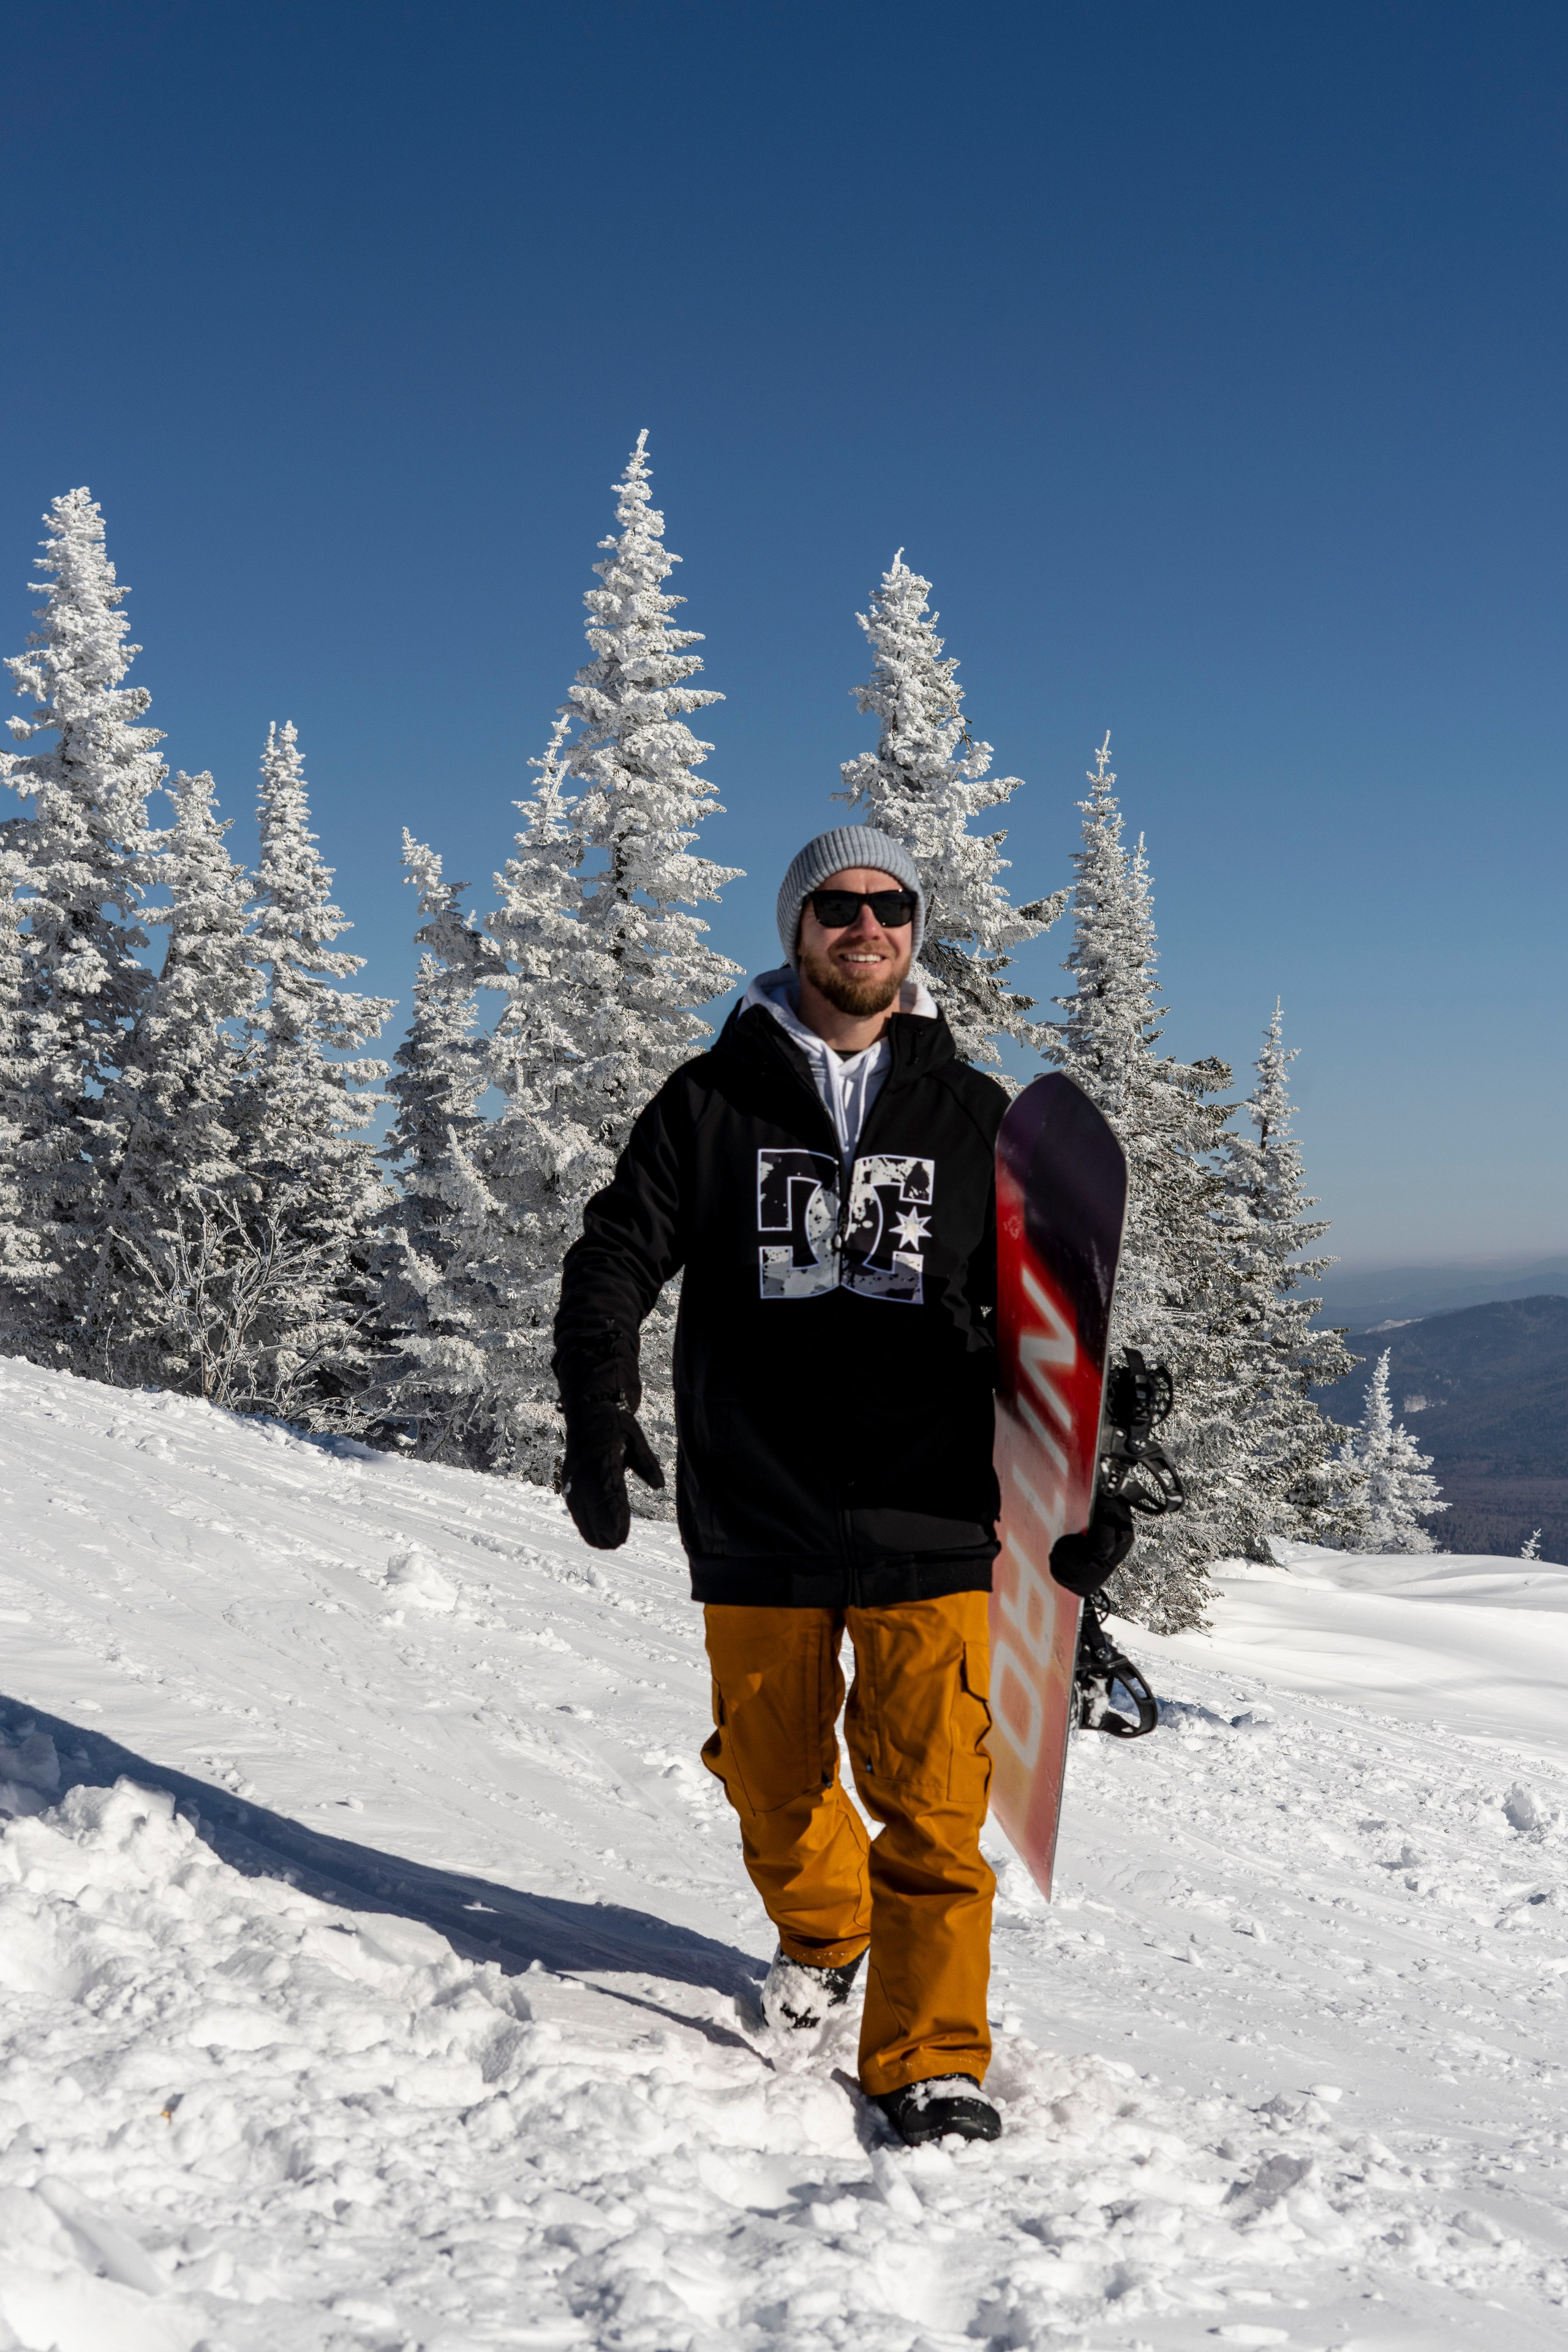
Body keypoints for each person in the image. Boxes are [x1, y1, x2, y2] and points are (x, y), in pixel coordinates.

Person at [552, 824, 1128, 2147]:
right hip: (756, 1507)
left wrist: (1078, 1501)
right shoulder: (708, 1101)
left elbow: (1046, 1330)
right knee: (769, 1781)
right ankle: (825, 1925)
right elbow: (613, 1256)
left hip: (929, 1512)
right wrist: (596, 1406)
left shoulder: (973, 1116)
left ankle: (930, 2060)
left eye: (889, 904)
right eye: (836, 904)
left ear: (913, 934)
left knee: (933, 1805)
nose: (864, 924)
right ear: (793, 927)